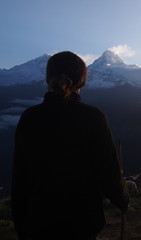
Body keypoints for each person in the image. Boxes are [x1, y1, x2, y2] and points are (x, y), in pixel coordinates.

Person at [11, 51, 129, 240]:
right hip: (83, 222)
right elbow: (108, 170)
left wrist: (20, 221)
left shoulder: (30, 117)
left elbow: (20, 175)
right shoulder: (94, 117)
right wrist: (122, 200)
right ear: (81, 82)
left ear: (48, 78)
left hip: (37, 223)